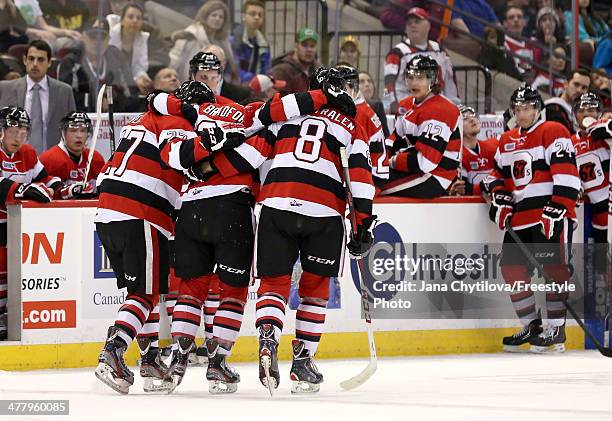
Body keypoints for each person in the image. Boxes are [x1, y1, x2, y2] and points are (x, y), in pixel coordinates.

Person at [146, 71, 357, 395]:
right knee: (235, 292)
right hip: (239, 207)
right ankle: (220, 367)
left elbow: (176, 155)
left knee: (191, 288)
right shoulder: (243, 113)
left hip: (192, 206)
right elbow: (260, 145)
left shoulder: (180, 121)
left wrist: (205, 169)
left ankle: (178, 357)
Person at [205, 67, 374, 394]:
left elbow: (247, 157)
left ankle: (268, 336)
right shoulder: (351, 126)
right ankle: (302, 362)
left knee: (274, 282)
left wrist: (205, 169)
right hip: (323, 210)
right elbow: (361, 180)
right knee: (315, 287)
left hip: (276, 204)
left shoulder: (283, 119)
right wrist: (363, 225)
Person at [93, 81, 203, 395]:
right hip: (141, 211)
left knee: (141, 290)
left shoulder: (142, 121)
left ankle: (150, 358)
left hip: (108, 210)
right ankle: (113, 351)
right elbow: (178, 158)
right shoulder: (178, 122)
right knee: (145, 295)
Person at [482, 85, 580, 353]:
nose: (523, 114)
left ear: (538, 109)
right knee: (511, 269)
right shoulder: (507, 139)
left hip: (548, 215)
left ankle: (556, 329)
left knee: (555, 270)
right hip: (520, 218)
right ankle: (532, 326)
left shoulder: (553, 131)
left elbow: (568, 175)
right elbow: (495, 177)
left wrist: (558, 206)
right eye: (519, 109)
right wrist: (500, 198)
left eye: (528, 109)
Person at [0, 105, 61, 340]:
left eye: (23, 132)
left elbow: (45, 177)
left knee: (12, 273)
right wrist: (24, 189)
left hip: (16, 225)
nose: (19, 137)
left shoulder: (27, 153)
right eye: (14, 131)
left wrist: (60, 188)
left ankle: (7, 315)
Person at [381, 55, 461, 198]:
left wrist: (391, 161)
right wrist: (381, 157)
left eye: (420, 78)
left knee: (374, 182)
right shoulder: (405, 105)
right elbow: (395, 138)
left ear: (433, 80)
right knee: (372, 174)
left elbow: (425, 162)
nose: (414, 83)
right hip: (414, 169)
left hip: (436, 176)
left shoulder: (442, 110)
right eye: (410, 77)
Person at [0, 39, 76, 155]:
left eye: (40, 60)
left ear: (49, 62)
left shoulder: (64, 92)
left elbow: (72, 131)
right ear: (25, 60)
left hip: (52, 161)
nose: (35, 64)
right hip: (13, 160)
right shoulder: (5, 89)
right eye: (31, 59)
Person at [383, 7, 458, 114]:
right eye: (409, 23)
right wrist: (395, 107)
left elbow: (450, 81)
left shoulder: (439, 50)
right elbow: (389, 83)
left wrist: (455, 105)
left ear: (428, 25)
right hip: (409, 111)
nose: (413, 25)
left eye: (417, 21)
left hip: (439, 110)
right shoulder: (397, 53)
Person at [336, 64, 388, 191]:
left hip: (371, 179)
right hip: (370, 173)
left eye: (340, 87)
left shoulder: (359, 113)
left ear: (352, 87)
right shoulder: (356, 108)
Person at [571, 93, 609, 246]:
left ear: (598, 112)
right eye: (581, 110)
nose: (586, 114)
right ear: (575, 115)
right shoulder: (569, 143)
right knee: (598, 258)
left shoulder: (607, 133)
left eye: (591, 110)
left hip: (610, 204)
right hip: (591, 209)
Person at [39, 111, 104, 198]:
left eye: (83, 131)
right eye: (73, 130)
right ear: (63, 133)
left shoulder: (95, 159)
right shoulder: (50, 159)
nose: (79, 135)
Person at [169, 0, 237, 83]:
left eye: (221, 17)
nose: (217, 19)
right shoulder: (189, 36)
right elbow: (174, 64)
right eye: (214, 15)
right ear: (205, 16)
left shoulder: (223, 42)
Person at [448, 105, 498, 197]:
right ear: (456, 126)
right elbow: (461, 190)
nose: (472, 119)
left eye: (473, 115)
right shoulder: (455, 155)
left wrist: (470, 189)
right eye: (465, 118)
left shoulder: (493, 146)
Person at [108, 2, 151, 95]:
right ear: (122, 20)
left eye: (139, 18)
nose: (135, 20)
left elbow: (139, 66)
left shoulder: (143, 38)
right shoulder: (112, 35)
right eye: (130, 17)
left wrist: (141, 77)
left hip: (130, 84)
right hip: (112, 81)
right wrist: (134, 80)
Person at [269, 28, 321, 95]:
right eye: (304, 45)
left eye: (312, 46)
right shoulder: (282, 71)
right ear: (296, 46)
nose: (309, 50)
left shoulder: (318, 70)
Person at [231, 0, 270, 84]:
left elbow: (266, 68)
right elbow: (233, 67)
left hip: (256, 87)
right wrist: (254, 79)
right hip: (235, 86)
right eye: (252, 14)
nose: (257, 17)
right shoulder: (233, 38)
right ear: (243, 16)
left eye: (260, 15)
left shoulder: (264, 43)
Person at [544, 69, 591, 134]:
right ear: (565, 84)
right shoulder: (553, 107)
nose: (579, 90)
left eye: (584, 88)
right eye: (576, 84)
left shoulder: (577, 114)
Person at [14, 0, 81, 47]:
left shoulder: (31, 1)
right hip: (18, 43)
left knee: (75, 42)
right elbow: (9, 28)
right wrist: (36, 32)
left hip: (37, 42)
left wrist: (65, 32)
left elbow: (43, 26)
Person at [502, 6, 541, 81]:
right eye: (511, 17)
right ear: (505, 23)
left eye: (519, 17)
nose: (516, 20)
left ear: (524, 22)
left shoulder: (532, 42)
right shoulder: (503, 42)